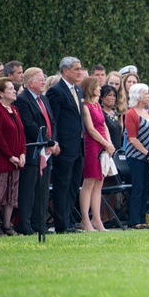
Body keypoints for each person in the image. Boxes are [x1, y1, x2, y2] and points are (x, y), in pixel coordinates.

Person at [14, 67, 58, 236]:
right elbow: (29, 124)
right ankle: (25, 225)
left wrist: (52, 141)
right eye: (41, 79)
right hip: (33, 150)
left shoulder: (44, 99)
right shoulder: (22, 100)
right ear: (30, 82)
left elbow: (51, 122)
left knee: (43, 189)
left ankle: (40, 224)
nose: (43, 82)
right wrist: (47, 141)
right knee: (28, 190)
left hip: (46, 151)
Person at [46, 57, 85, 234]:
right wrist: (55, 142)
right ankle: (62, 224)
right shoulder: (56, 91)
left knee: (73, 185)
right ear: (65, 71)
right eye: (76, 69)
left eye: (80, 69)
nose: (79, 72)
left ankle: (69, 221)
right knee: (62, 184)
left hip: (78, 145)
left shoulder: (77, 89)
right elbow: (53, 119)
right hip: (64, 146)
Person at [0, 77, 26, 236]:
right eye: (10, 88)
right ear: (1, 93)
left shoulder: (15, 109)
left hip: (16, 159)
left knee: (11, 192)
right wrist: (10, 156)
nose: (14, 91)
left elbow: (21, 133)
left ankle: (7, 224)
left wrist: (22, 153)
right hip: (1, 159)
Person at [79, 76, 116, 232]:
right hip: (93, 145)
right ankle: (85, 219)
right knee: (89, 182)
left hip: (103, 144)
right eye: (98, 86)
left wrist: (109, 143)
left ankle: (97, 218)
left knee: (99, 182)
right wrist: (104, 142)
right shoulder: (86, 106)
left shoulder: (97, 105)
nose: (100, 89)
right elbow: (91, 129)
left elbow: (103, 125)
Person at [124, 84, 149, 229]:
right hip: (136, 156)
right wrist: (147, 153)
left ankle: (143, 218)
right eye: (146, 94)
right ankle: (134, 220)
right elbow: (132, 138)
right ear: (138, 96)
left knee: (145, 188)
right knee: (137, 187)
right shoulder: (131, 114)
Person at [99, 85, 123, 152]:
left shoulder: (117, 114)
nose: (112, 98)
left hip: (117, 151)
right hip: (106, 150)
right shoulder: (100, 113)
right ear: (102, 97)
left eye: (114, 95)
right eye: (109, 95)